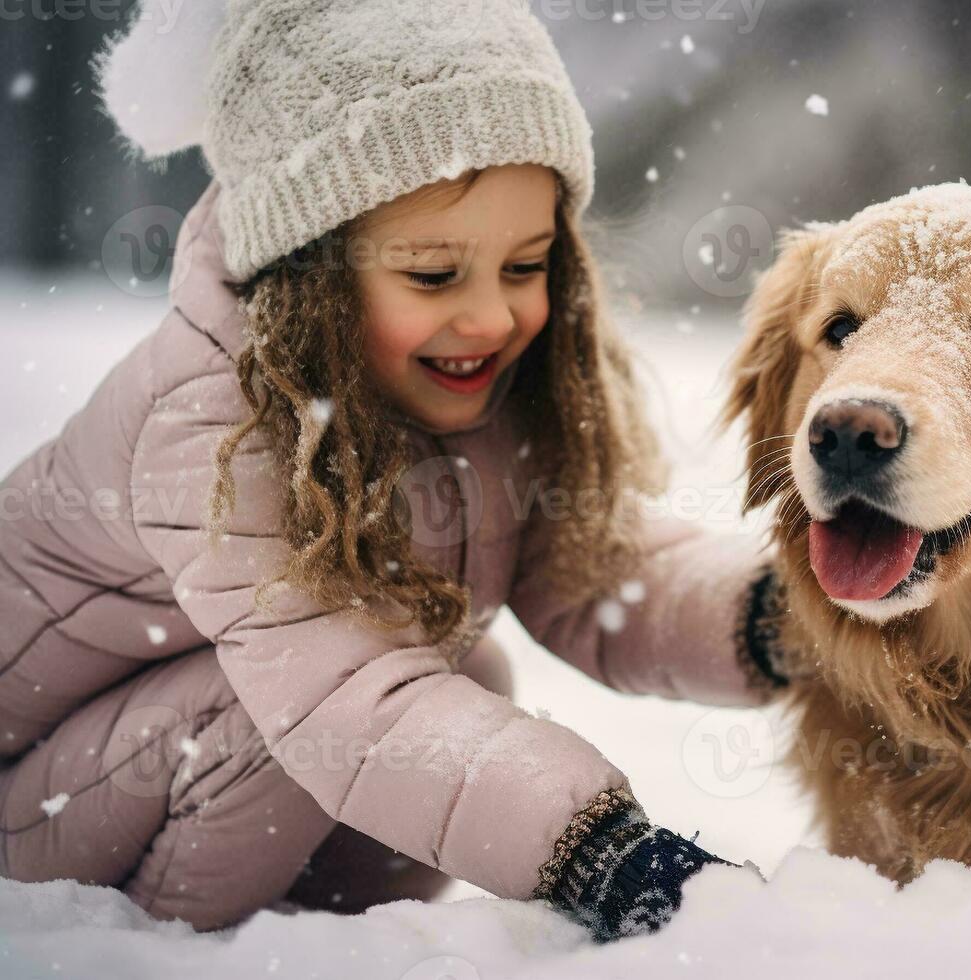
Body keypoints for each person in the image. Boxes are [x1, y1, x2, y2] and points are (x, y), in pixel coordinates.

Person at [0, 0, 788, 942]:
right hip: (32, 799)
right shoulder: (209, 426)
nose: (493, 317)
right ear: (310, 273)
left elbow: (602, 575)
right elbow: (342, 697)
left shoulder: (471, 388)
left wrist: (785, 619)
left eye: (526, 265)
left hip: (179, 769)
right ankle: (168, 956)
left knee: (467, 674)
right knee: (294, 727)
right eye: (432, 275)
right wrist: (604, 857)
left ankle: (332, 943)